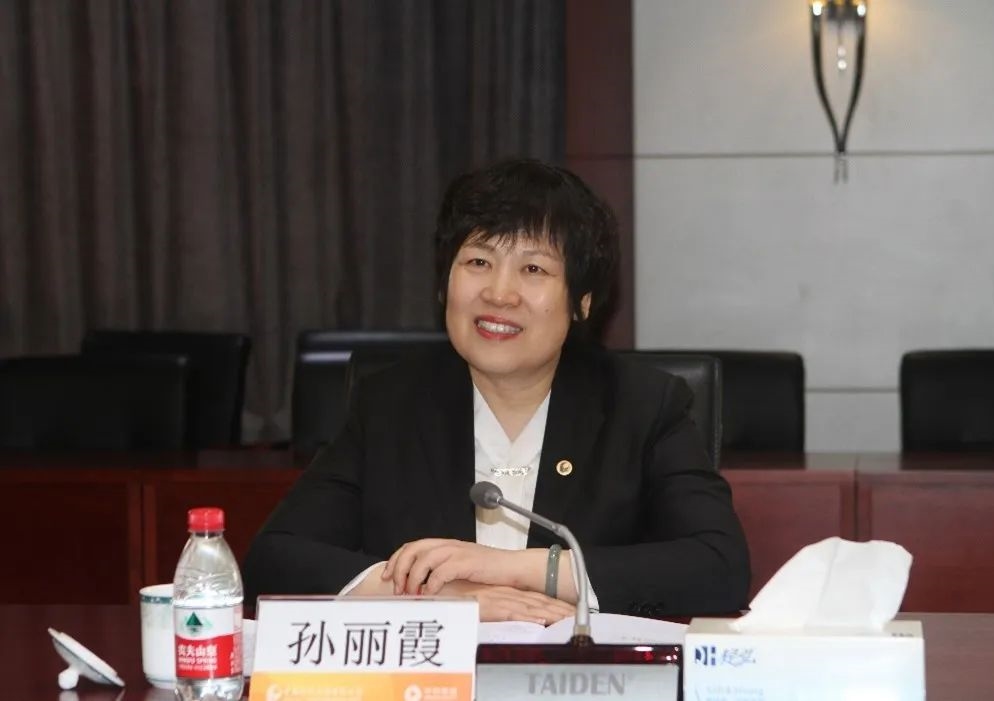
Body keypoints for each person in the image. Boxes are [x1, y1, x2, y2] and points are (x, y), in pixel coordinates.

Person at [243, 158, 750, 623]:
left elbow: (718, 568)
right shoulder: (392, 403)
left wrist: (512, 569)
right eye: (478, 262)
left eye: (533, 269)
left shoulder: (642, 406)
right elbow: (275, 558)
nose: (499, 294)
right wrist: (435, 595)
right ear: (445, 281)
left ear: (582, 301)